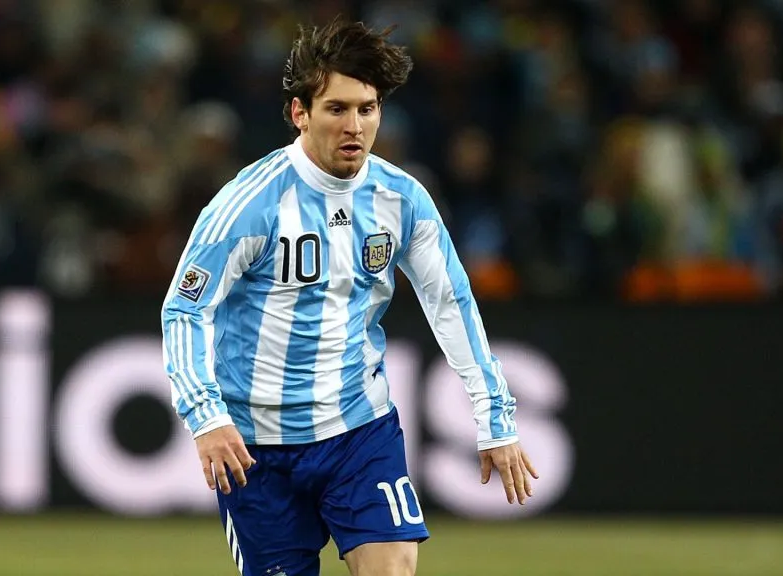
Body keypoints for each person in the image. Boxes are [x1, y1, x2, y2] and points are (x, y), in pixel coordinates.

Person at [161, 17, 537, 576]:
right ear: (299, 113)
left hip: (358, 431)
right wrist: (205, 416)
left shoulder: (401, 199)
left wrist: (495, 415)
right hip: (256, 447)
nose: (354, 126)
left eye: (367, 108)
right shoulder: (247, 206)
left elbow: (450, 303)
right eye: (337, 108)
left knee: (392, 568)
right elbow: (186, 309)